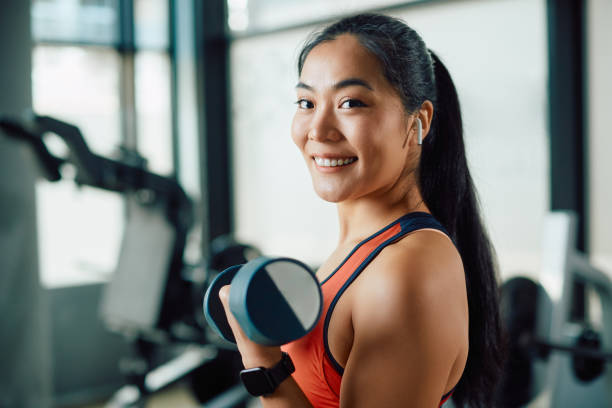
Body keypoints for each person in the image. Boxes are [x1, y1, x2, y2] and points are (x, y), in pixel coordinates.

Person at [219, 13, 504, 407]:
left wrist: (263, 362)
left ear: (417, 121)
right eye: (306, 102)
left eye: (350, 103)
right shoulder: (364, 251)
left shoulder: (408, 269)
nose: (318, 130)